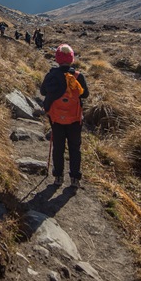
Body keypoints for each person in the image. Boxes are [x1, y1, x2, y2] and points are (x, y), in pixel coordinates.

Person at [40, 44, 89, 188]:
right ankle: (75, 178)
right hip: (74, 119)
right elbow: (85, 94)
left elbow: (43, 92)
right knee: (75, 148)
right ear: (72, 59)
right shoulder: (78, 76)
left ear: (57, 59)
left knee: (58, 147)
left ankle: (58, 177)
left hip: (56, 119)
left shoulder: (51, 75)